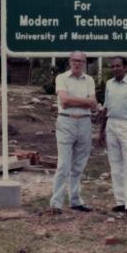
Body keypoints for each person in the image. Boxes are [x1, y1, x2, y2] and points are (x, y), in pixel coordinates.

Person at [49, 51, 97, 214]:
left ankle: (76, 200)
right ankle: (56, 203)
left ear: (84, 63)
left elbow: (94, 104)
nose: (77, 64)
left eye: (81, 61)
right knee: (63, 164)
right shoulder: (61, 78)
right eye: (74, 60)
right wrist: (86, 101)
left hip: (85, 122)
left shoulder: (89, 80)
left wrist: (76, 101)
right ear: (70, 62)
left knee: (79, 164)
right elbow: (64, 101)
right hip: (66, 121)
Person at [98, 56, 127, 217]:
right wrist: (101, 130)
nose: (115, 68)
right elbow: (105, 107)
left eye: (118, 66)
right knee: (115, 164)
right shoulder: (109, 84)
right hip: (111, 124)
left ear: (125, 68)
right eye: (113, 66)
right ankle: (120, 202)